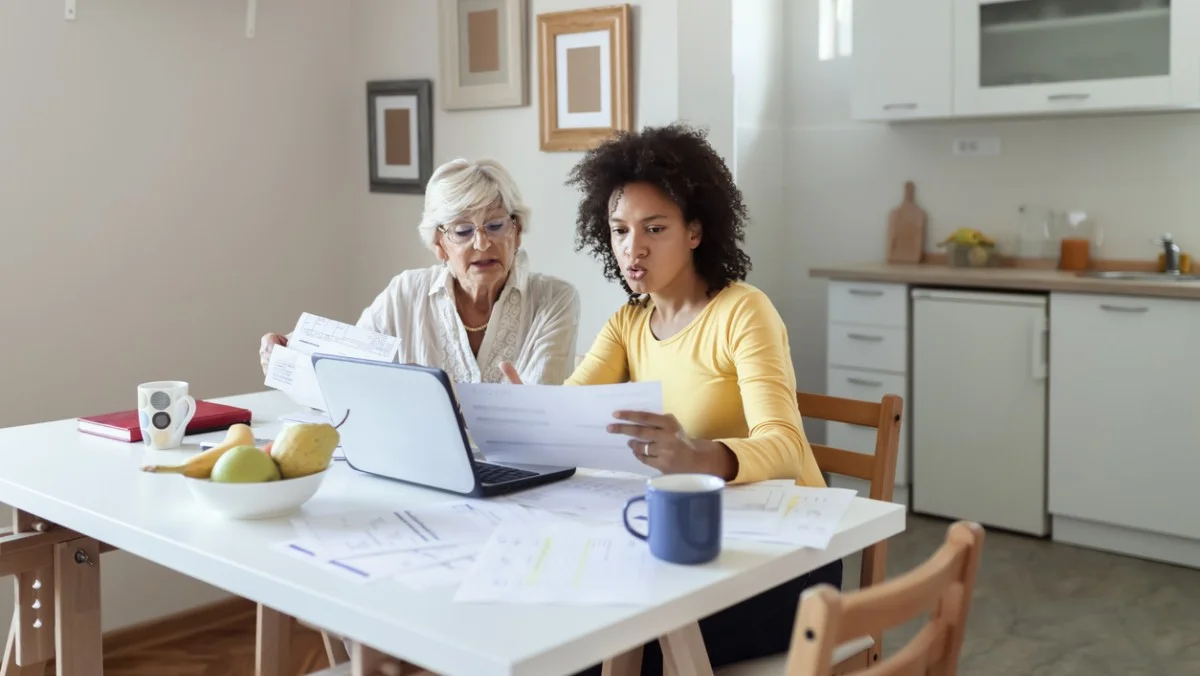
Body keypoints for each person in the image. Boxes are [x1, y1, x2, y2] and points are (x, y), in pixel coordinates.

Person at [500, 123, 840, 675]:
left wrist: (696, 456)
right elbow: (573, 408)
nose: (632, 248)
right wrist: (532, 413)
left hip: (788, 561)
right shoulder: (628, 321)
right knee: (565, 630)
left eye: (654, 228)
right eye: (619, 231)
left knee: (603, 650)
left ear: (696, 232)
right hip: (692, 552)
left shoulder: (743, 312)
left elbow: (784, 446)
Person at [259, 158, 581, 385]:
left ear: (517, 231)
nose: (482, 244)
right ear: (439, 244)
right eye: (463, 231)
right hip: (416, 467)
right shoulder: (406, 293)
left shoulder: (553, 301)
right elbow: (348, 369)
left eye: (495, 226)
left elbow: (540, 406)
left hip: (520, 474)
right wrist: (291, 351)